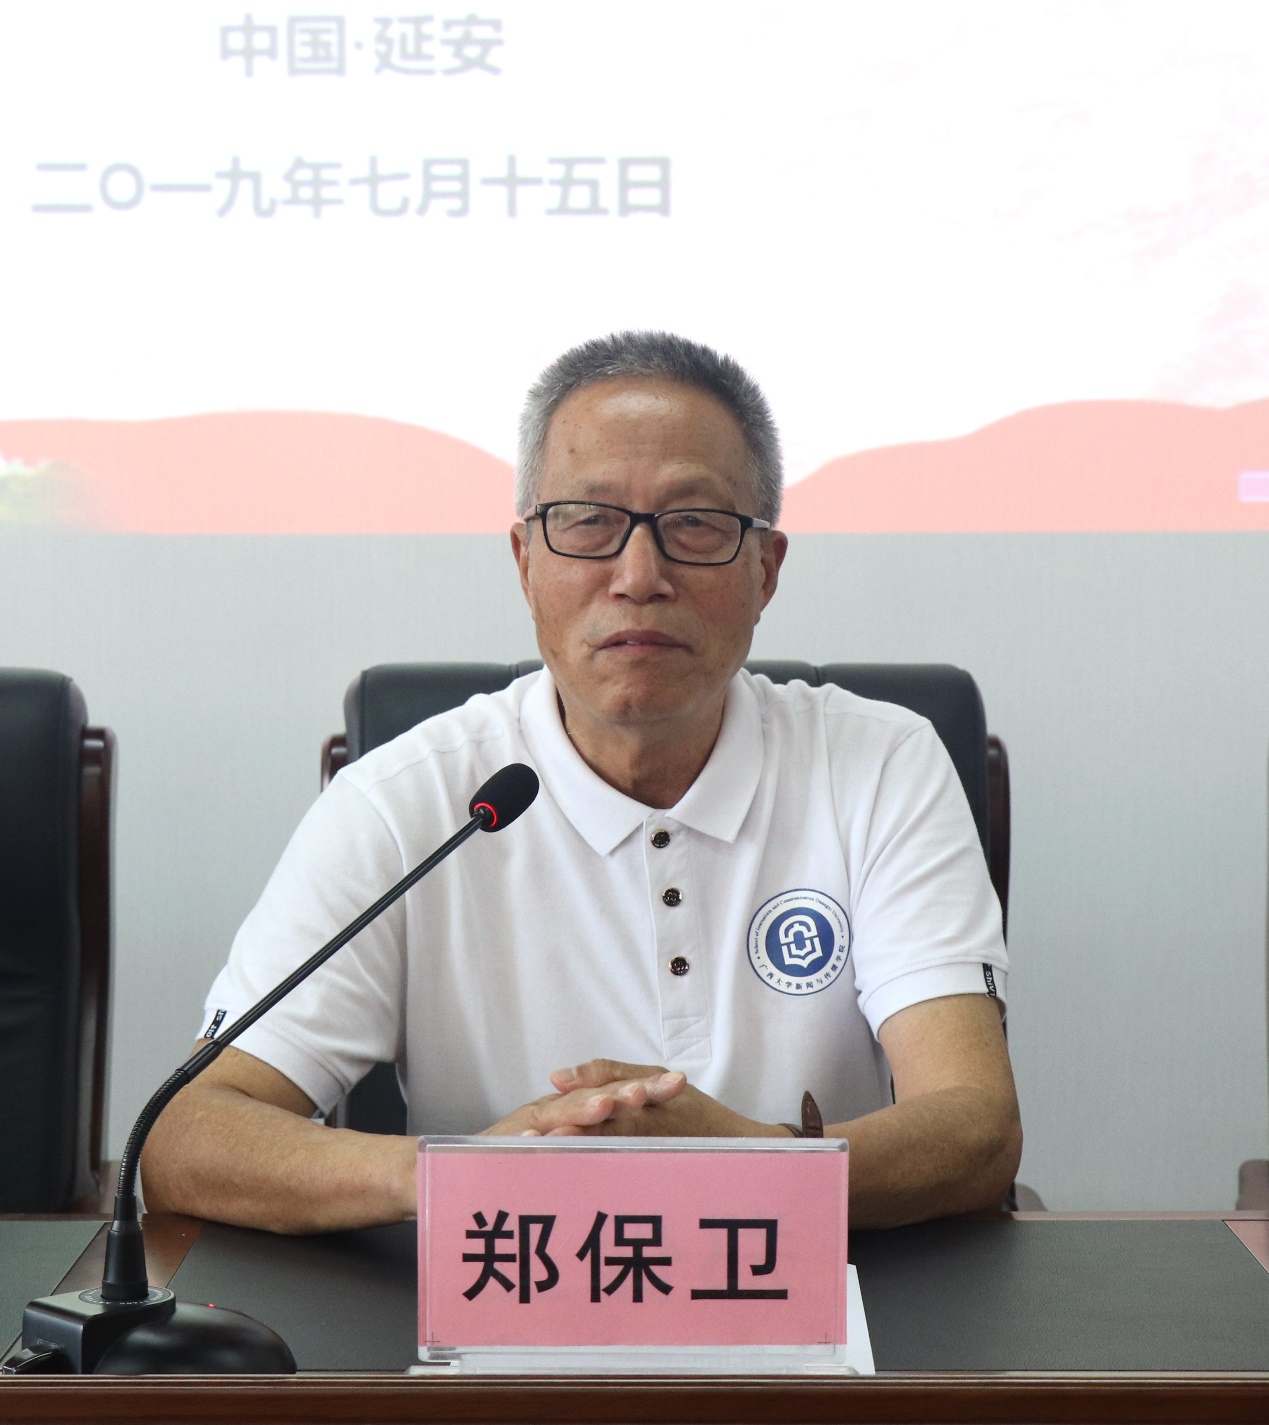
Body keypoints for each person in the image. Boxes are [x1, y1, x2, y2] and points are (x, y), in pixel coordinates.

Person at [143, 332, 1022, 1234]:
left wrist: (744, 1161)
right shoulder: (407, 803)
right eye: (589, 521)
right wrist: (467, 1173)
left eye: (694, 523)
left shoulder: (879, 764)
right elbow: (187, 1135)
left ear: (765, 569)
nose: (639, 577)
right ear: (525, 560)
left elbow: (975, 1124)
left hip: (819, 1307)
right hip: (503, 1302)